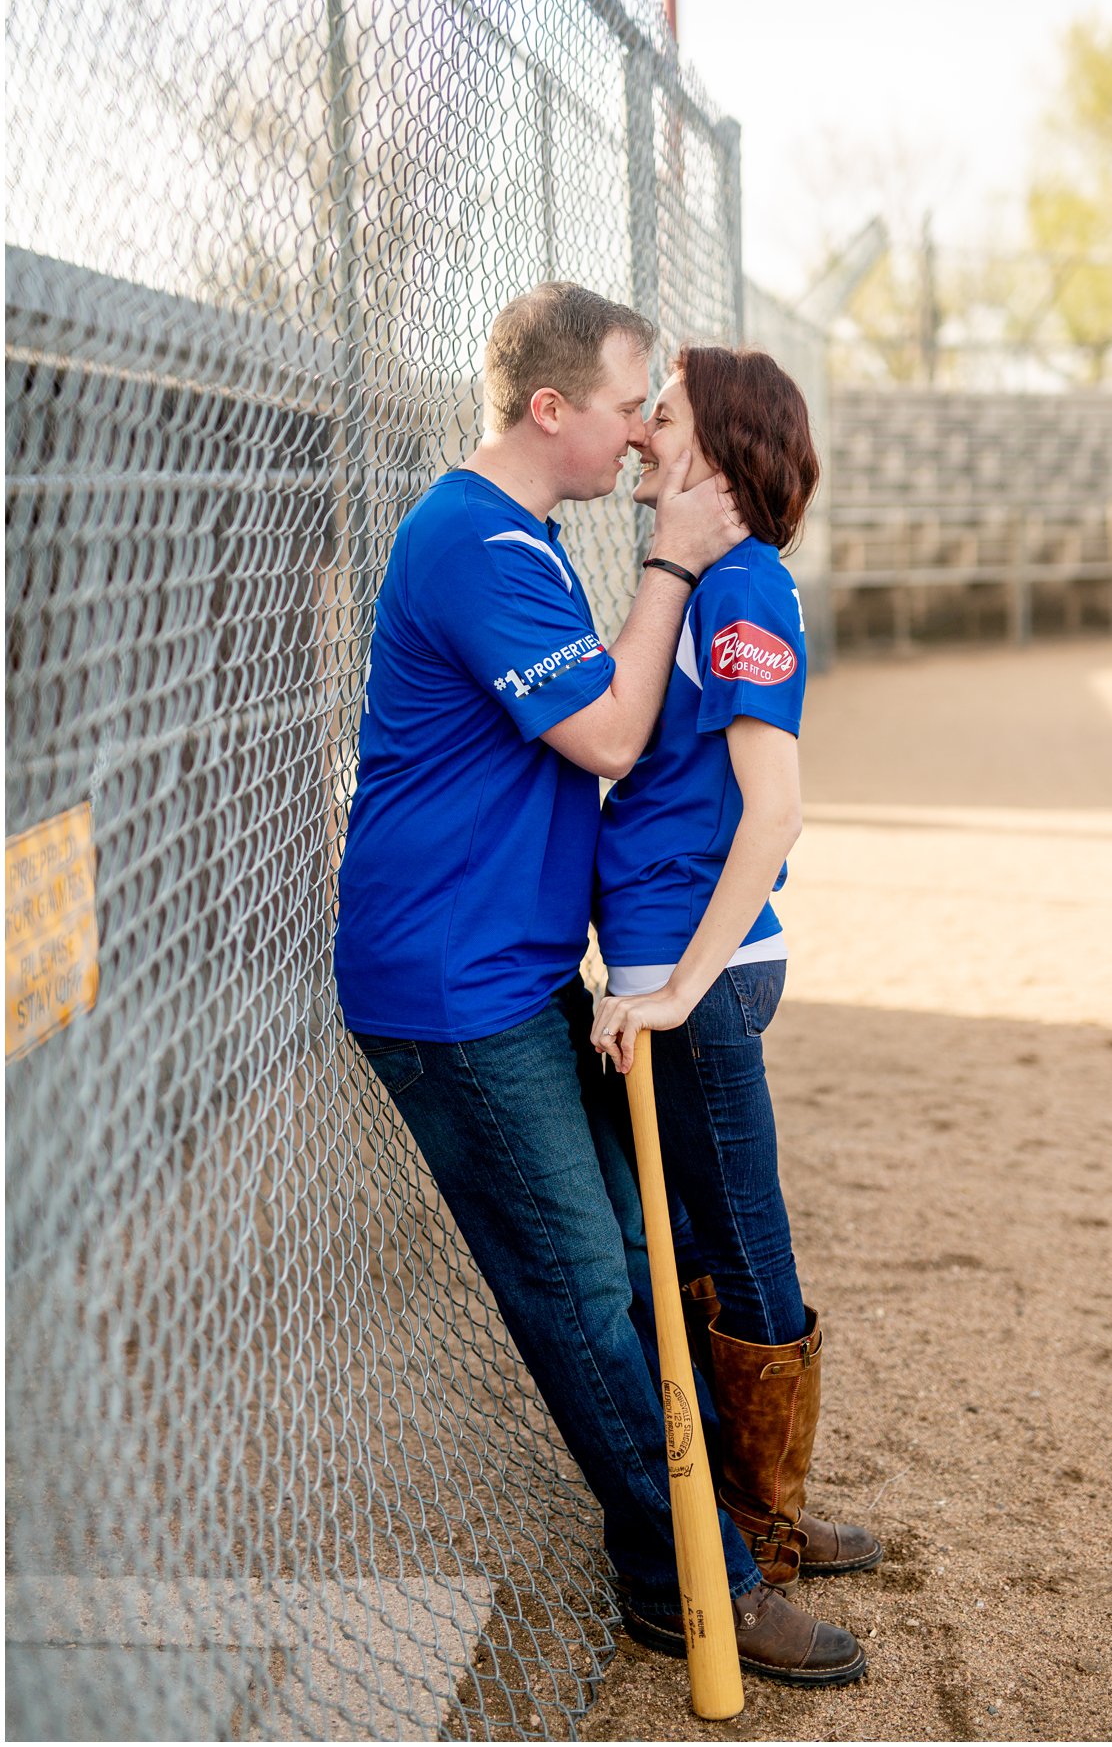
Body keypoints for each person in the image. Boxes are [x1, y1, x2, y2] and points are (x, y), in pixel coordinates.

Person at [335, 284, 863, 1688]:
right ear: (551, 411)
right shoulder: (474, 542)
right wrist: (672, 566)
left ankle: (716, 1529)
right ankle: (689, 1577)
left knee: (635, 1254)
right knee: (579, 1281)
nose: (640, 435)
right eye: (631, 403)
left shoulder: (521, 543)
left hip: (512, 975)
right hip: (449, 991)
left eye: (660, 413)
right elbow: (618, 737)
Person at [582, 346, 877, 1624]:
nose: (644, 428)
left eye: (666, 411)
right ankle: (771, 1508)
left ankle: (760, 1530)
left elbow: (777, 812)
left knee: (742, 1245)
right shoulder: (717, 580)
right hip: (678, 963)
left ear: (718, 447)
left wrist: (674, 990)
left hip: (689, 971)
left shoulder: (739, 588)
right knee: (706, 1244)